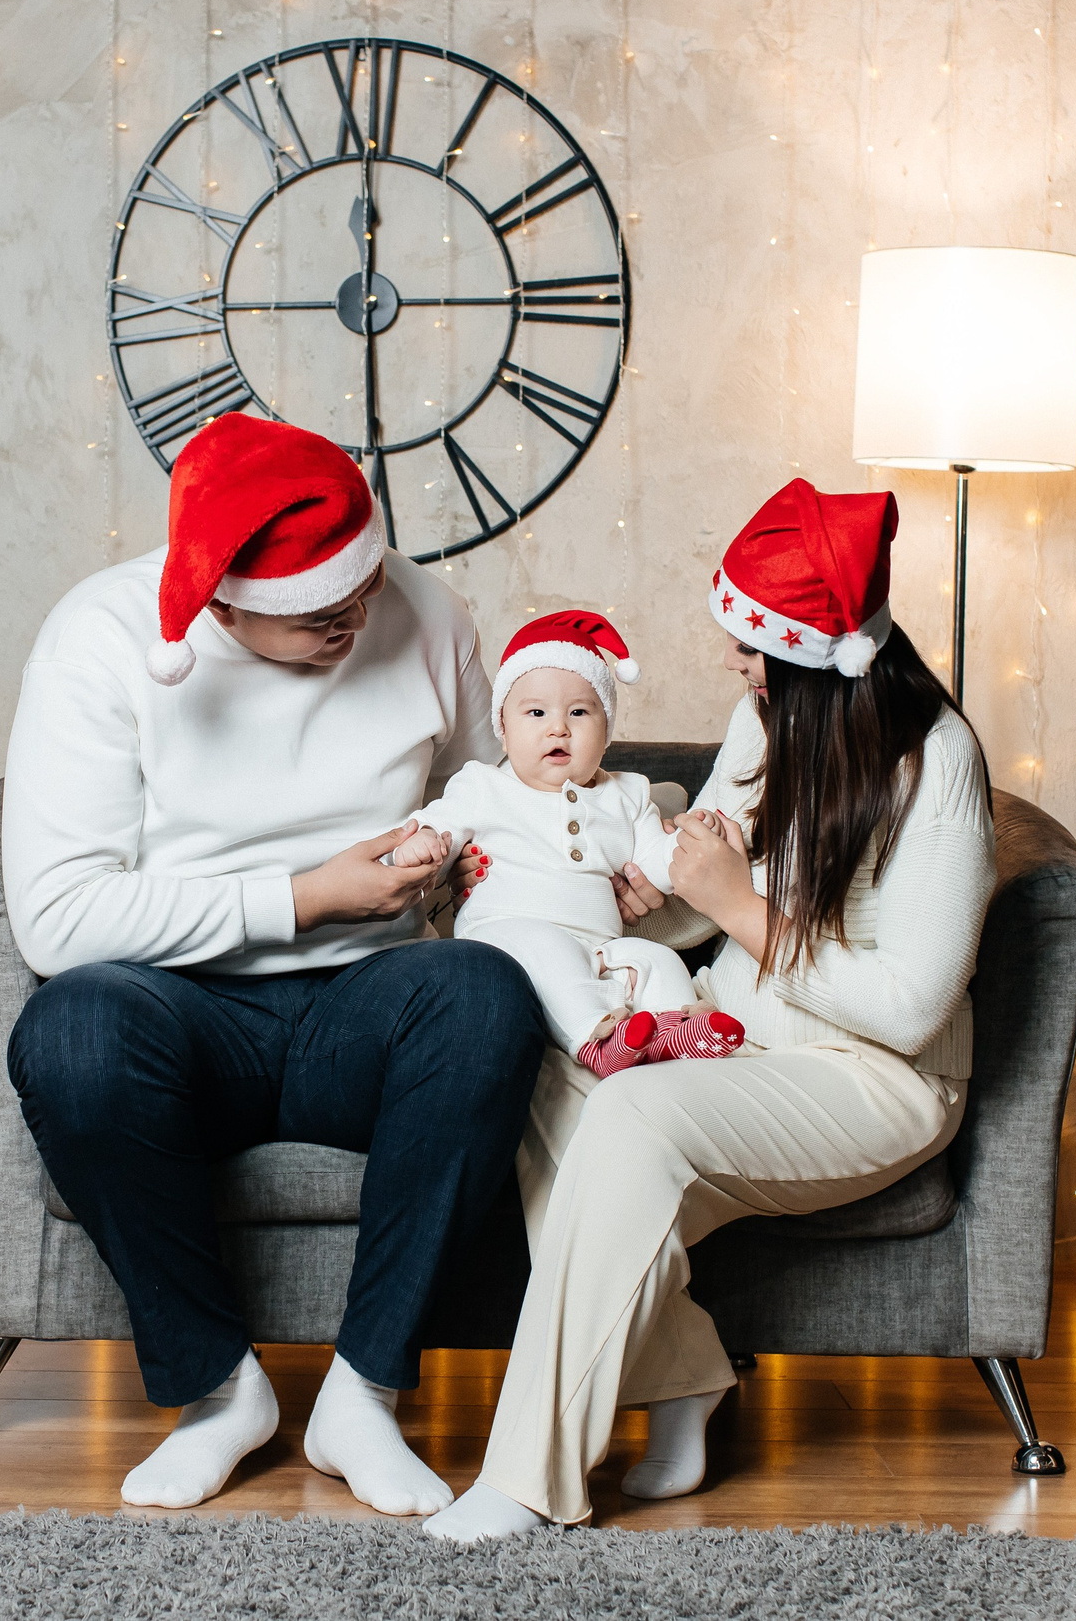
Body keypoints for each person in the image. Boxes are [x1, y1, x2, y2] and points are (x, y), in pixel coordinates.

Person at [425, 478, 996, 1541]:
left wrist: (733, 905)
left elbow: (912, 1008)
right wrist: (637, 894)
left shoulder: (936, 762)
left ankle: (525, 1480)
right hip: (734, 1037)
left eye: (750, 646)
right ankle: (685, 1376)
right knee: (544, 1071)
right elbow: (704, 885)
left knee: (633, 1111)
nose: (733, 662)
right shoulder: (762, 717)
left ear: (816, 656)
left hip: (873, 1077)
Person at [2, 412, 545, 1517]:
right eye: (314, 616)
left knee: (487, 995)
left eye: (362, 589)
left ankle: (365, 1394)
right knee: (71, 1032)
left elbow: (495, 809)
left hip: (368, 1003)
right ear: (217, 603)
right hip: (178, 1008)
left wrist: (527, 865)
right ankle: (218, 1393)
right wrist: (302, 897)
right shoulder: (100, 638)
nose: (355, 621)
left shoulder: (429, 614)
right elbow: (56, 920)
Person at [389, 609, 744, 1076]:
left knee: (656, 958)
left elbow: (655, 866)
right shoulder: (483, 785)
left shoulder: (628, 794)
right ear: (503, 730)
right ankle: (595, 1039)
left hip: (601, 943)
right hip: (508, 932)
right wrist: (425, 842)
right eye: (536, 713)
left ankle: (674, 1031)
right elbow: (441, 827)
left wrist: (690, 841)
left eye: (578, 712)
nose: (558, 728)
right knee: (548, 950)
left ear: (606, 731)